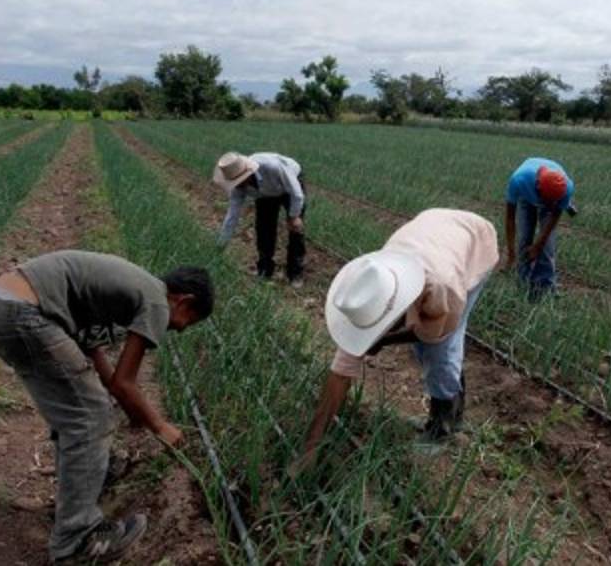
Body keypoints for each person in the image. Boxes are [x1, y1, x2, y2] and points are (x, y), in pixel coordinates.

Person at [0, 250, 215, 564]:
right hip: (21, 312)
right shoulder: (156, 300)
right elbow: (125, 383)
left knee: (80, 410)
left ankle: (75, 502)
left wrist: (131, 410)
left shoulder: (129, 288)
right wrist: (160, 426)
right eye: (188, 322)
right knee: (89, 416)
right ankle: (77, 541)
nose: (179, 329)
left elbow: (97, 358)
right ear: (184, 301)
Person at [291, 209, 498, 473]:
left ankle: (444, 423)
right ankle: (449, 404)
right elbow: (341, 372)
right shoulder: (367, 293)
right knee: (426, 348)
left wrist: (383, 341)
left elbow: (434, 333)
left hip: (474, 242)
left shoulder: (441, 286)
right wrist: (311, 445)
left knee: (440, 349)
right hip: (433, 234)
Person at [213, 151, 307, 287]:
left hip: (288, 186)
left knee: (295, 229)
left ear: (248, 173)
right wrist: (221, 245)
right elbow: (232, 216)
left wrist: (294, 216)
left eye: (239, 181)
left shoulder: (272, 167)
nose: (238, 185)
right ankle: (265, 270)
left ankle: (295, 273)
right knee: (264, 229)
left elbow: (296, 193)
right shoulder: (238, 188)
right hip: (265, 194)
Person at [503, 157, 574, 299]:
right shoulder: (519, 181)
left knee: (547, 246)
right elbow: (510, 219)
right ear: (537, 187)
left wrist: (538, 245)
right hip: (526, 197)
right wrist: (511, 253)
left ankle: (545, 287)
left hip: (555, 199)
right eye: (546, 202)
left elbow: (554, 219)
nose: (548, 205)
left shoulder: (567, 189)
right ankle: (523, 283)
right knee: (524, 239)